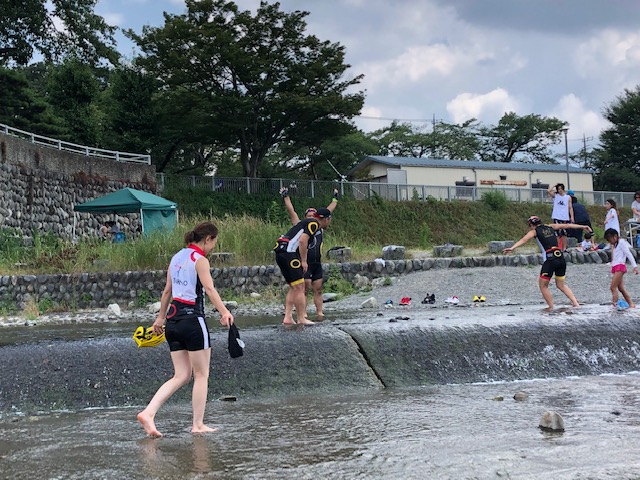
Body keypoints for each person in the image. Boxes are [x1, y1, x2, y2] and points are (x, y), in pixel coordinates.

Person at [137, 221, 234, 438]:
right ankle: (198, 425)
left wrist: (159, 319)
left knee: (181, 375)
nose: (213, 247)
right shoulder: (200, 260)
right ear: (207, 239)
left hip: (173, 320)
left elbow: (167, 292)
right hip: (193, 321)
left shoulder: (177, 257)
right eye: (214, 242)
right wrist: (224, 312)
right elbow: (209, 289)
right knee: (201, 374)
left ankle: (149, 412)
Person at [503, 215, 592, 310]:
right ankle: (576, 303)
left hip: (550, 259)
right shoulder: (551, 227)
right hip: (560, 257)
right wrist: (583, 227)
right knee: (561, 285)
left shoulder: (534, 231)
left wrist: (512, 248)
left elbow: (524, 240)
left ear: (531, 224)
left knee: (543, 286)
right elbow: (567, 225)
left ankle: (551, 307)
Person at [279, 187, 339, 320]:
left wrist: (335, 197)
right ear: (306, 218)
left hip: (316, 262)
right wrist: (286, 197)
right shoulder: (303, 225)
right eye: (309, 216)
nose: (312, 217)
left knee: (318, 289)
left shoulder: (320, 227)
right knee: (302, 288)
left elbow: (329, 211)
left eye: (314, 215)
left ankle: (319, 313)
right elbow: (291, 211)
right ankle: (302, 315)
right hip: (303, 261)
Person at [274, 208, 332, 325]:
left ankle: (288, 317)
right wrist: (304, 261)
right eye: (329, 220)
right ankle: (301, 318)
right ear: (326, 219)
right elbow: (302, 241)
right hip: (288, 252)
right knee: (300, 287)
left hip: (281, 250)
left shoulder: (306, 222)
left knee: (294, 286)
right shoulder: (314, 223)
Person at [604, 227, 638, 308]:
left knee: (612, 287)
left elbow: (629, 254)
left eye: (609, 240)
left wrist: (635, 266)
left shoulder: (622, 243)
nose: (609, 242)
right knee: (621, 288)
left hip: (620, 266)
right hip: (616, 267)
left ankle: (614, 306)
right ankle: (631, 304)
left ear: (615, 236)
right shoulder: (615, 244)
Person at [547, 183, 573, 251]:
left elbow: (570, 207)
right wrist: (555, 184)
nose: (560, 190)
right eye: (558, 189)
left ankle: (564, 248)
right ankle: (558, 247)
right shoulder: (556, 196)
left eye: (561, 189)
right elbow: (548, 191)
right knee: (558, 234)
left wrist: (572, 217)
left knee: (564, 234)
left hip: (565, 217)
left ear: (563, 189)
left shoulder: (568, 197)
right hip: (557, 216)